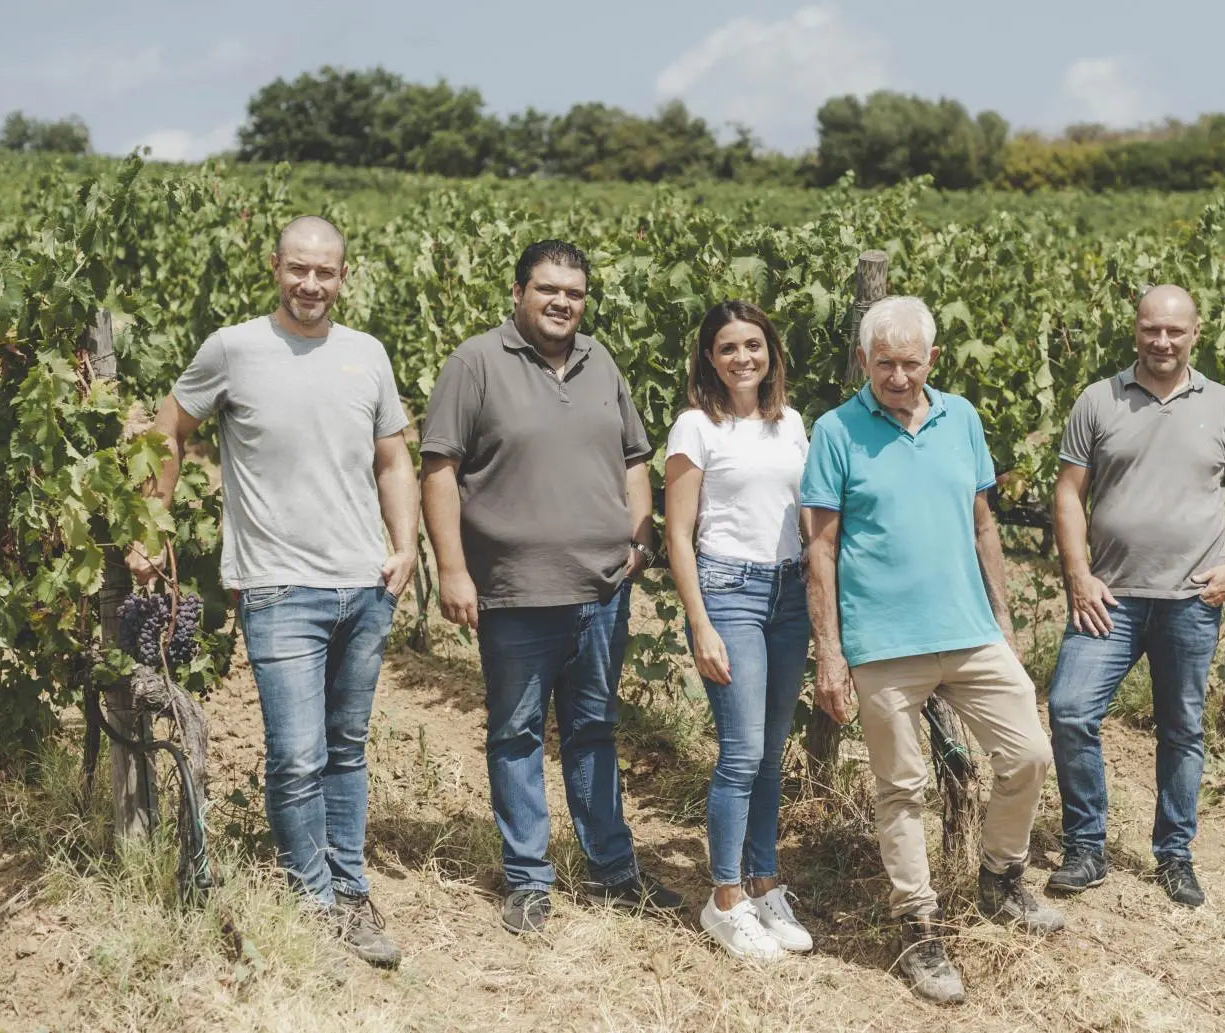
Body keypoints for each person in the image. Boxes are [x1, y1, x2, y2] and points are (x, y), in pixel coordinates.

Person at [128, 216, 416, 969]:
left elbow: (393, 460)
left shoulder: (368, 355)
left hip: (364, 583)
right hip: (278, 586)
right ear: (275, 268)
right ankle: (313, 902)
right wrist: (155, 522)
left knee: (346, 749)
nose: (311, 283)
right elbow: (170, 426)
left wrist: (406, 547)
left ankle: (351, 893)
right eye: (298, 269)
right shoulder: (232, 348)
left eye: (324, 272)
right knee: (296, 753)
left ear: (343, 276)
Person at [801, 295, 1063, 1005]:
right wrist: (830, 651)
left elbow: (983, 524)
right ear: (863, 360)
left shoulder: (963, 418)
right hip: (883, 642)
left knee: (1030, 753)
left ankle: (1002, 879)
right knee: (903, 787)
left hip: (970, 629)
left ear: (932, 362)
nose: (897, 375)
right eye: (883, 362)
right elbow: (819, 548)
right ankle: (920, 926)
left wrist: (1004, 620)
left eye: (910, 363)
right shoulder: (835, 431)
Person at [419, 239, 683, 937]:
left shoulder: (602, 361)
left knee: (595, 729)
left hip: (602, 590)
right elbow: (439, 469)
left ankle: (613, 870)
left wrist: (639, 535)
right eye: (548, 289)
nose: (563, 301)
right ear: (518, 293)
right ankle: (530, 879)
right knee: (517, 732)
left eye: (574, 291)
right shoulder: (475, 362)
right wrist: (451, 569)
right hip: (515, 590)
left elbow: (634, 456)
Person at [1045, 284, 1225, 909]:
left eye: (1175, 331)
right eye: (1152, 330)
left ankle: (1175, 854)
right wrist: (1078, 575)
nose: (1162, 342)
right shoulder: (1098, 400)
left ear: (1196, 333)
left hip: (1192, 600)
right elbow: (1068, 493)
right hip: (1108, 600)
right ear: (1136, 330)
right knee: (1069, 709)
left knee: (1182, 728)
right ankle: (1086, 846)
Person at [664, 301, 812, 961]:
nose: (743, 357)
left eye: (753, 344)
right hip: (730, 592)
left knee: (772, 753)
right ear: (709, 358)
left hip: (788, 594)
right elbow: (678, 532)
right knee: (741, 752)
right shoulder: (697, 426)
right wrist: (700, 622)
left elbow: (805, 515)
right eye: (728, 347)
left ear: (771, 352)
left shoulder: (792, 423)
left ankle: (763, 878)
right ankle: (723, 897)